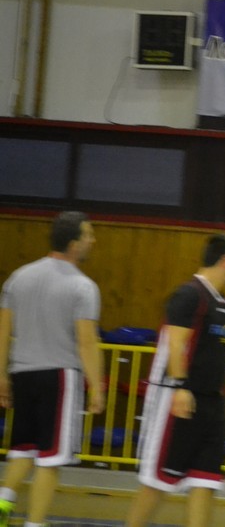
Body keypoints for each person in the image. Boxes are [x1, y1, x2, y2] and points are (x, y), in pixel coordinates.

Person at [125, 233, 225, 527]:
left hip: (210, 403)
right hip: (177, 397)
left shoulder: (223, 303)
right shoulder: (190, 294)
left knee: (206, 482)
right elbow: (175, 343)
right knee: (157, 482)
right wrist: (181, 387)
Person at [0, 211, 105, 527]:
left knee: (22, 450)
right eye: (88, 235)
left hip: (22, 374)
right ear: (74, 244)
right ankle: (35, 523)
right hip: (59, 376)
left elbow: (3, 331)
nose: (93, 240)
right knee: (51, 458)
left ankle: (3, 501)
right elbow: (86, 342)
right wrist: (97, 385)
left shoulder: (18, 277)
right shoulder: (83, 286)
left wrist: (1, 374)